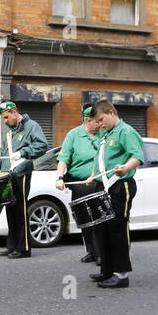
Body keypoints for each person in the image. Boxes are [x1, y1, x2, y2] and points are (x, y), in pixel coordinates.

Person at [87, 101, 145, 288]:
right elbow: (102, 159)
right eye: (97, 121)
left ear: (111, 113)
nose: (100, 124)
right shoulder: (106, 134)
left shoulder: (125, 131)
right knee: (103, 228)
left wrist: (125, 168)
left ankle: (121, 275)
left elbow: (137, 156)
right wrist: (92, 176)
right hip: (105, 186)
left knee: (118, 228)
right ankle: (107, 270)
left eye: (101, 119)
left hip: (121, 185)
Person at [0, 101, 47, 259]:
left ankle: (24, 248)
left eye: (6, 117)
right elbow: (5, 155)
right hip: (8, 176)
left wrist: (23, 152)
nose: (5, 121)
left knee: (20, 210)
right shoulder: (9, 133)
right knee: (10, 211)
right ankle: (12, 246)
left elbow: (42, 145)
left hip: (21, 173)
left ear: (14, 112)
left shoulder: (31, 126)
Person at [55, 104, 102, 265]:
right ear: (88, 121)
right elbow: (63, 158)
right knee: (83, 218)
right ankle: (90, 250)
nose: (100, 124)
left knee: (98, 218)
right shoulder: (74, 135)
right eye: (97, 121)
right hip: (79, 184)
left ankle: (101, 252)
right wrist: (59, 177)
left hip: (98, 183)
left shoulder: (104, 134)